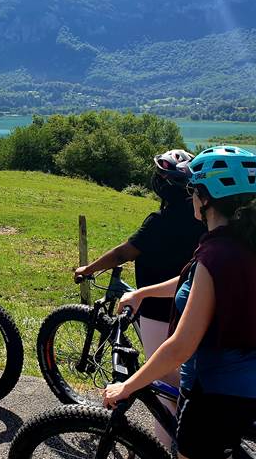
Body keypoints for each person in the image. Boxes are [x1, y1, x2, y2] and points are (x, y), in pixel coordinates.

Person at [103, 146, 256, 459]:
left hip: (217, 394)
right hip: (253, 381)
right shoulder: (247, 244)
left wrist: (128, 386)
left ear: (204, 199)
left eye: (193, 191)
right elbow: (191, 283)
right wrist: (142, 294)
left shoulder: (216, 254)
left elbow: (181, 346)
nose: (190, 199)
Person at [74, 149, 204, 444]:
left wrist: (89, 268)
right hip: (195, 304)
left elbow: (124, 252)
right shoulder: (202, 218)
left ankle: (166, 452)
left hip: (159, 309)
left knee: (164, 381)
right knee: (189, 373)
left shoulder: (159, 221)